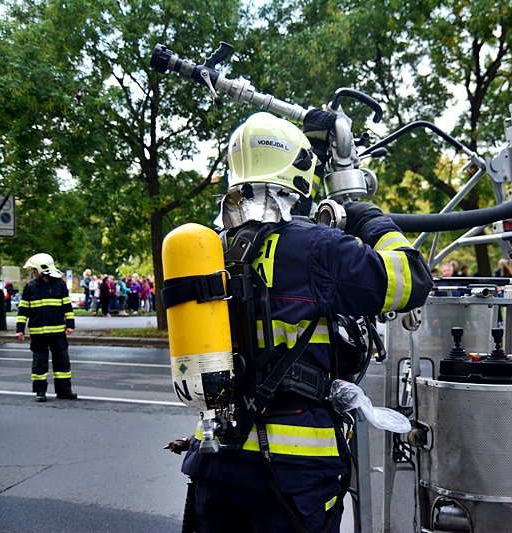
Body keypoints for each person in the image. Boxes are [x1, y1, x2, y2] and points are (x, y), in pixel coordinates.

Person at [178, 111, 433, 532]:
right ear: (297, 173)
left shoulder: (209, 249)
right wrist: (373, 220)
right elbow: (411, 281)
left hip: (216, 459)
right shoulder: (317, 247)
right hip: (295, 473)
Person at [16, 253, 77, 402]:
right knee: (39, 364)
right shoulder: (31, 287)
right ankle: (40, 391)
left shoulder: (60, 285)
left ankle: (64, 391)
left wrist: (70, 324)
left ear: (42, 269)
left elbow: (67, 306)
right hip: (38, 334)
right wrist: (20, 328)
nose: (33, 272)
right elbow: (23, 309)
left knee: (62, 362)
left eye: (34, 269)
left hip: (57, 332)